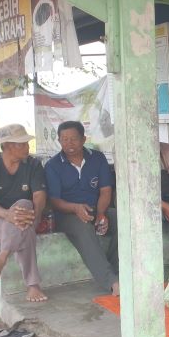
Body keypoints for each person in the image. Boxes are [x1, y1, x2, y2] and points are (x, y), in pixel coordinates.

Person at [45, 121, 119, 295]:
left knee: (123, 218)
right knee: (84, 228)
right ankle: (111, 282)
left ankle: (117, 270)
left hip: (96, 208)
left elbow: (106, 190)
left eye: (73, 139)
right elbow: (54, 201)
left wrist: (101, 214)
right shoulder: (53, 165)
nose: (69, 144)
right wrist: (76, 208)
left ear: (84, 139)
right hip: (66, 214)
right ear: (59, 140)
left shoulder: (98, 158)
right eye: (64, 139)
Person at [0, 124, 47, 302]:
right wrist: (8, 215)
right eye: (22, 144)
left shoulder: (33, 164)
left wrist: (34, 215)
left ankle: (2, 256)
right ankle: (33, 285)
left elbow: (39, 196)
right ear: (7, 146)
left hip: (29, 215)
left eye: (26, 143)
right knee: (23, 228)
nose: (27, 147)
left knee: (24, 203)